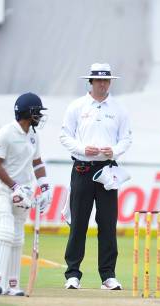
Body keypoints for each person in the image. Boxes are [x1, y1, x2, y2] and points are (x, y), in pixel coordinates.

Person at [60, 63, 132, 290]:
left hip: (108, 171)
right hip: (82, 168)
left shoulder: (118, 109)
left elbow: (126, 139)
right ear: (90, 82)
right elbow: (64, 136)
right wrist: (82, 149)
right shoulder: (77, 106)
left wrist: (115, 151)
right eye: (99, 80)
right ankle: (73, 274)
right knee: (79, 223)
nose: (103, 84)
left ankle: (108, 275)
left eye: (106, 80)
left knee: (108, 224)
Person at [0, 93, 51, 297]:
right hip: (2, 189)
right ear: (28, 112)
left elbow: (37, 162)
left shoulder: (33, 135)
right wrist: (14, 187)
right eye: (37, 112)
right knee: (4, 231)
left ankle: (12, 284)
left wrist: (45, 187)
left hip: (24, 191)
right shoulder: (5, 133)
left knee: (18, 237)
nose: (40, 116)